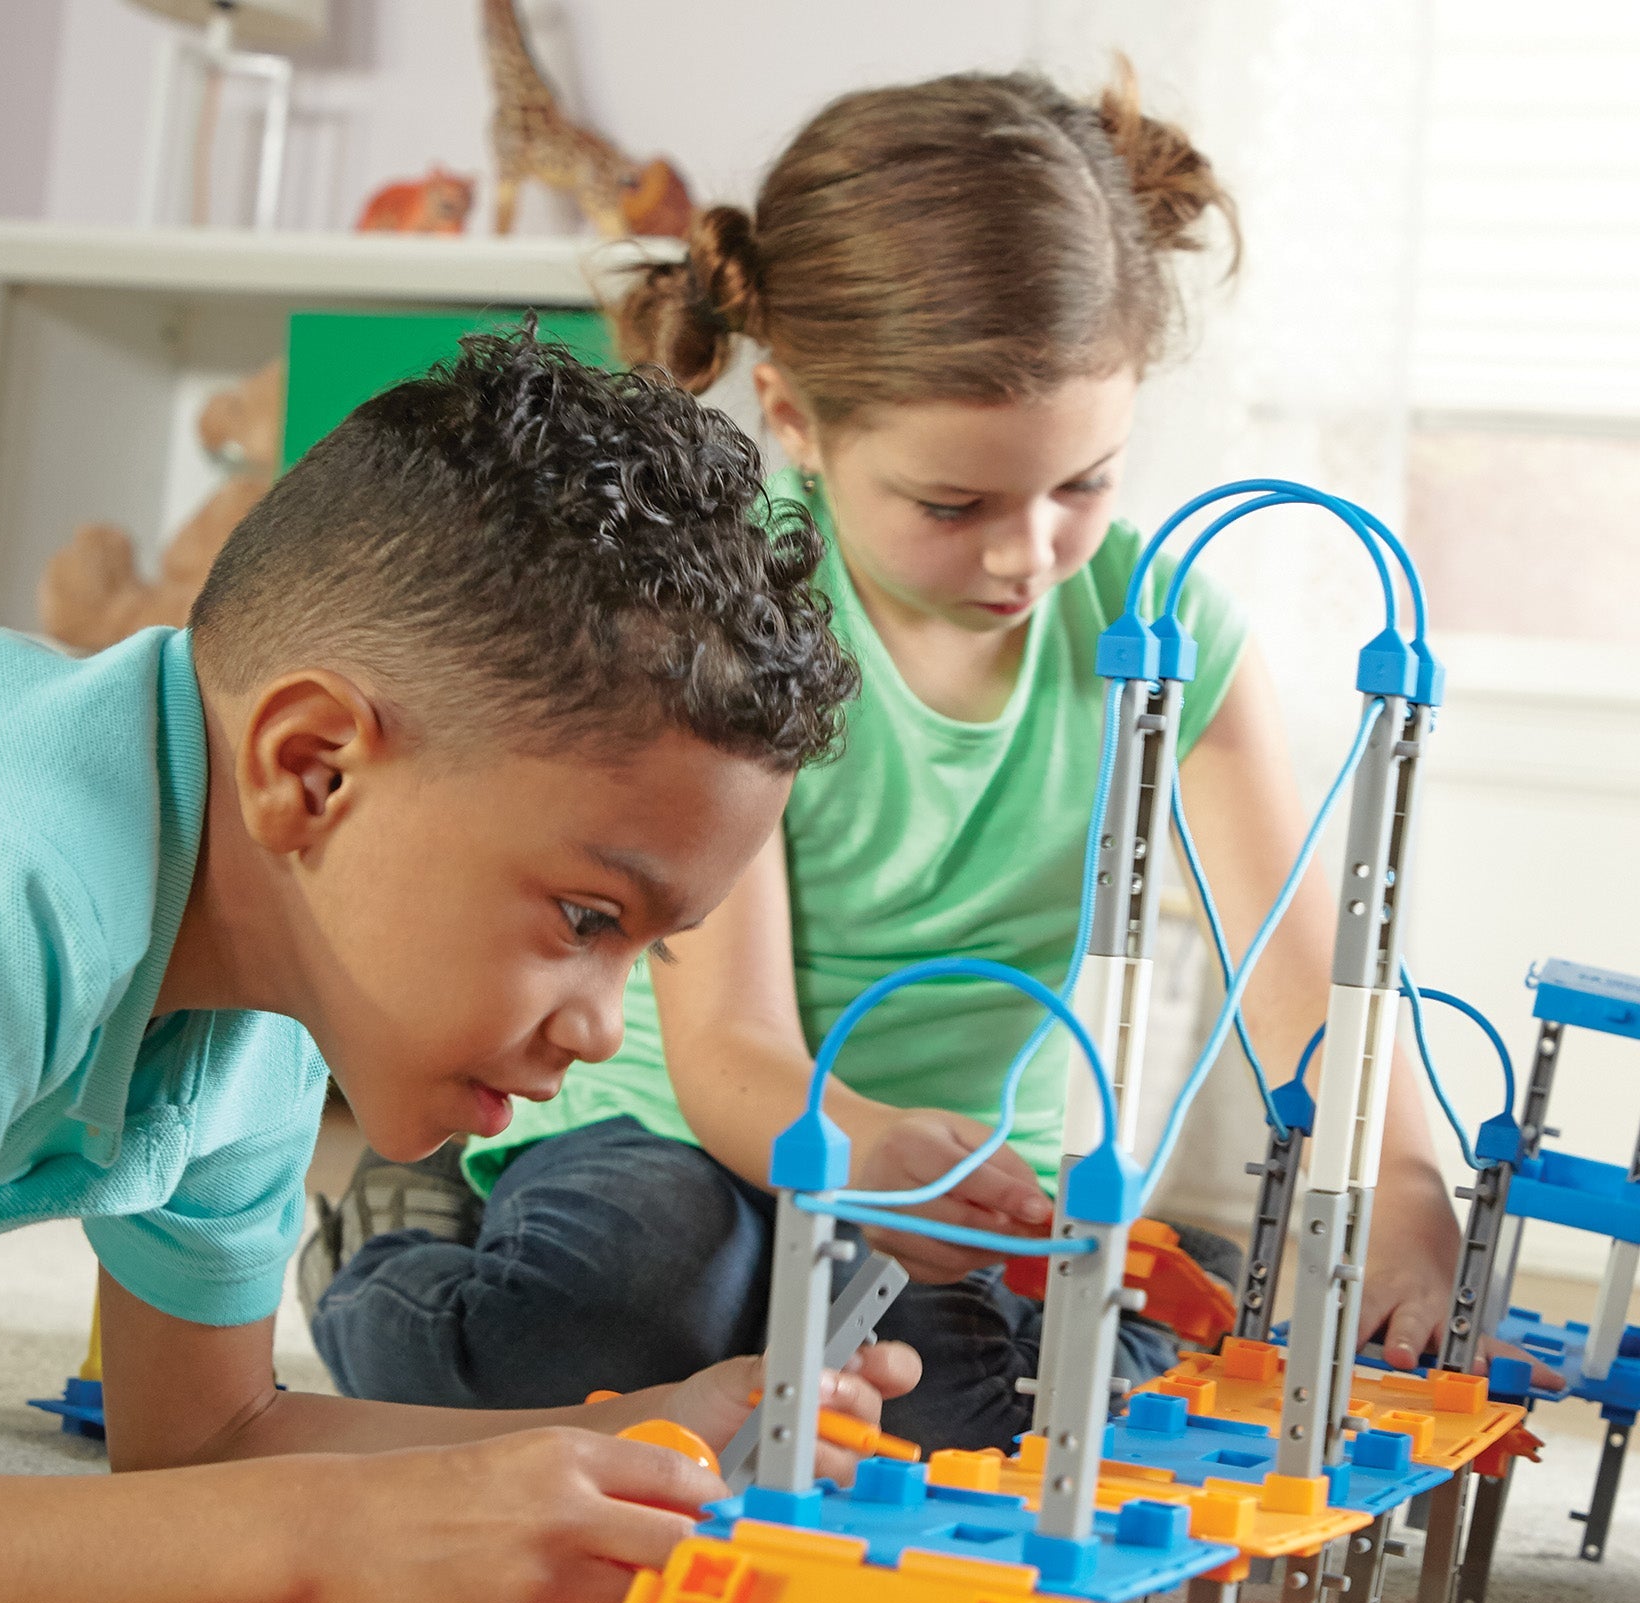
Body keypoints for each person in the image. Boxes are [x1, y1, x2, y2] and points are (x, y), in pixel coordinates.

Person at [0, 329, 911, 1603]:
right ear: (311, 770)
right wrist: (328, 1533)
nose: (601, 1026)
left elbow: (206, 1442)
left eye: (646, 949)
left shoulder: (262, 991)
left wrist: (644, 1430)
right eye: (586, 919)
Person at [306, 67, 1484, 1449]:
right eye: (953, 501)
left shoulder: (1171, 641)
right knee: (626, 1313)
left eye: (1084, 485)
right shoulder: (733, 616)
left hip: (961, 1183)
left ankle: (800, 1333)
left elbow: (1307, 970)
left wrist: (1402, 1188)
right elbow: (729, 1050)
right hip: (689, 1132)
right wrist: (853, 1151)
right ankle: (394, 1251)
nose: (1027, 551)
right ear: (795, 416)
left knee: (1003, 1421)